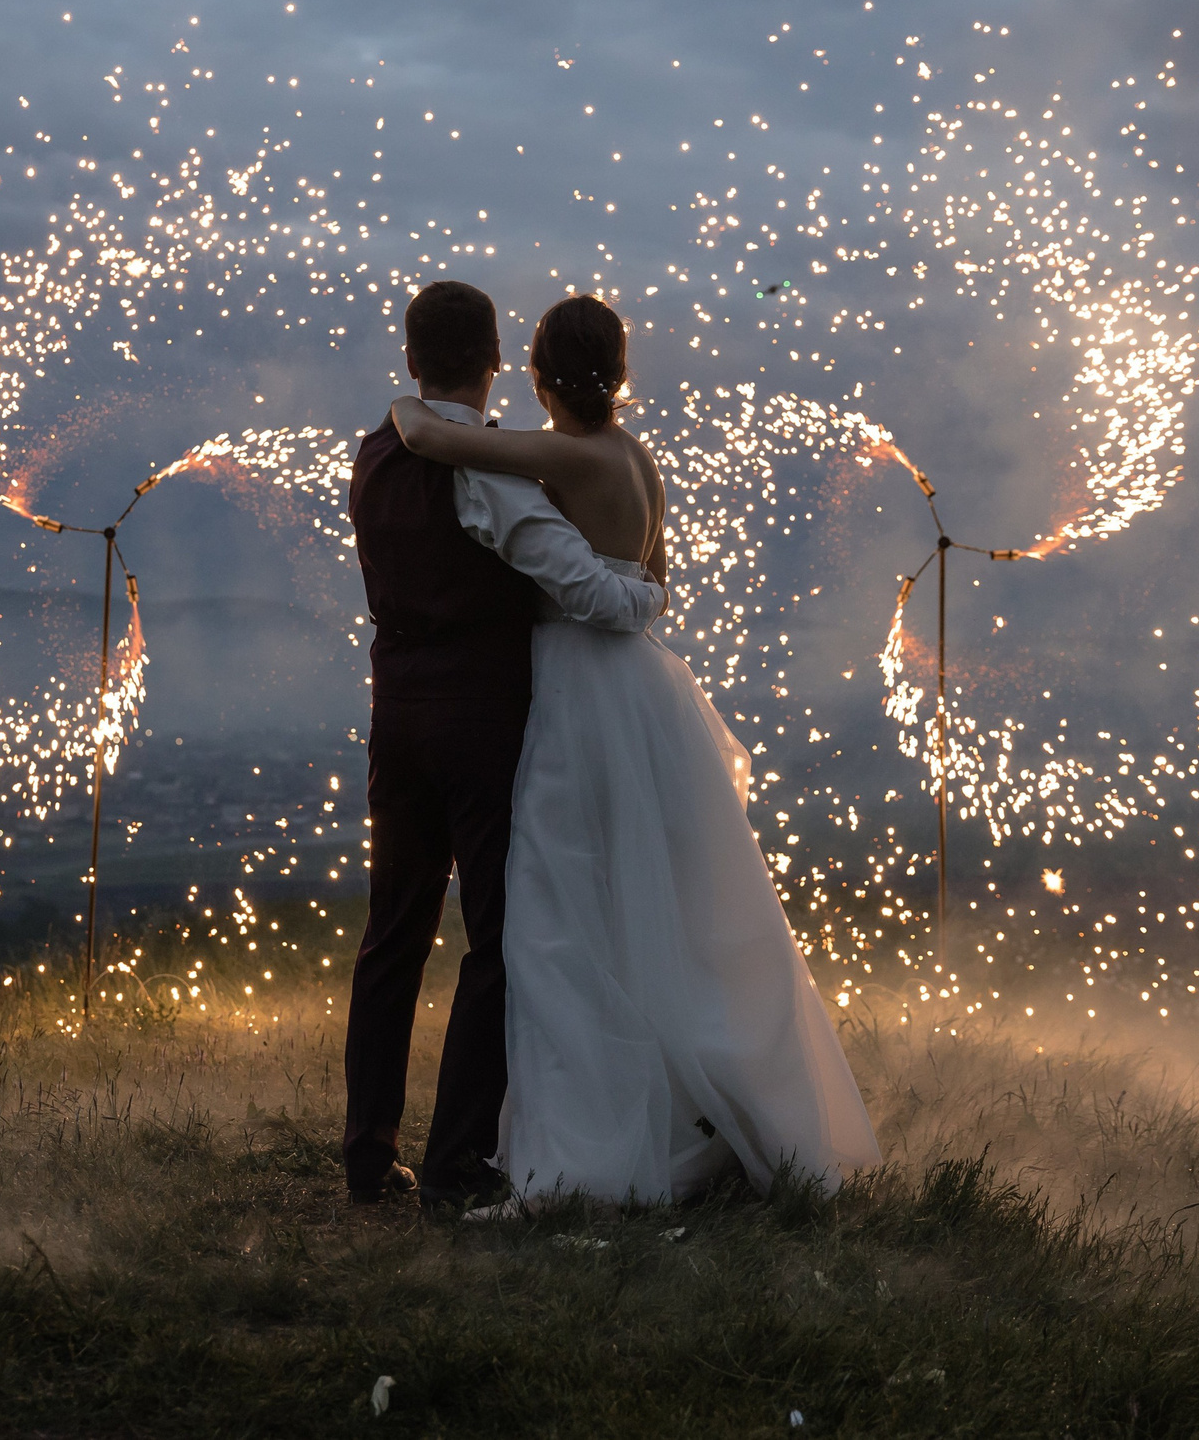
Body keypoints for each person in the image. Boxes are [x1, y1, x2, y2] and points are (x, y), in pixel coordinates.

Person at [389, 293, 883, 1206]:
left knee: (563, 909)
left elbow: (438, 443)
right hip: (648, 688)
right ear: (617, 372)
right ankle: (705, 1104)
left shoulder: (559, 453)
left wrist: (405, 406)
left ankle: (596, 1133)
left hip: (580, 690)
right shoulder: (637, 458)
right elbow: (653, 577)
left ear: (536, 372)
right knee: (668, 900)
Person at [343, 280, 667, 1209]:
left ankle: (368, 1156)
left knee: (392, 937)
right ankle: (451, 1162)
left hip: (396, 716)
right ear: (493, 363)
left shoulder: (373, 455)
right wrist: (651, 593)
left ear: (411, 358)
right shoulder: (495, 476)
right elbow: (586, 588)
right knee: (496, 942)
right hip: (482, 725)